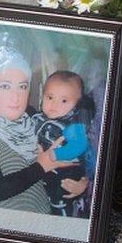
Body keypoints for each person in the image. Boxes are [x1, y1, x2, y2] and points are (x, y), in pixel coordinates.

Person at [0, 41, 88, 213]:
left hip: (50, 216)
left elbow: (77, 155)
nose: (16, 97)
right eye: (5, 86)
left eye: (22, 86)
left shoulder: (33, 118)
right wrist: (41, 166)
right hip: (8, 227)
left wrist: (82, 183)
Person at [33, 70, 95, 217]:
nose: (54, 104)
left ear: (77, 105)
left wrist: (55, 154)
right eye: (50, 97)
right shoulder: (38, 119)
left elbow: (79, 145)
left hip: (66, 174)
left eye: (64, 101)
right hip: (44, 174)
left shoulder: (73, 125)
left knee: (60, 202)